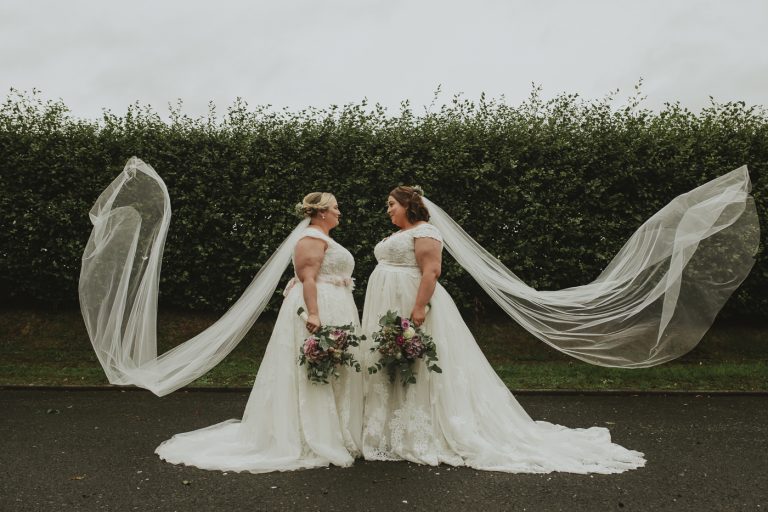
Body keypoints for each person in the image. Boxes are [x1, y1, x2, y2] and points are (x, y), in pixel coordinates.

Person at [360, 185, 647, 473]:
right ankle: (391, 425)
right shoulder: (398, 235)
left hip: (412, 301)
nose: (388, 210)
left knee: (420, 361)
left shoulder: (425, 231)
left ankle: (424, 428)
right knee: (391, 360)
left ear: (408, 205)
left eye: (391, 204)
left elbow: (431, 271)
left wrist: (419, 308)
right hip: (388, 304)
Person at [153, 192, 364, 472]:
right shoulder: (311, 239)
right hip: (319, 308)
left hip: (336, 307)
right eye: (336, 208)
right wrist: (314, 314)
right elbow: (308, 278)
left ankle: (336, 430)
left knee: (333, 368)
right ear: (322, 212)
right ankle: (310, 434)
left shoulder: (324, 238)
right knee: (314, 369)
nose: (340, 212)